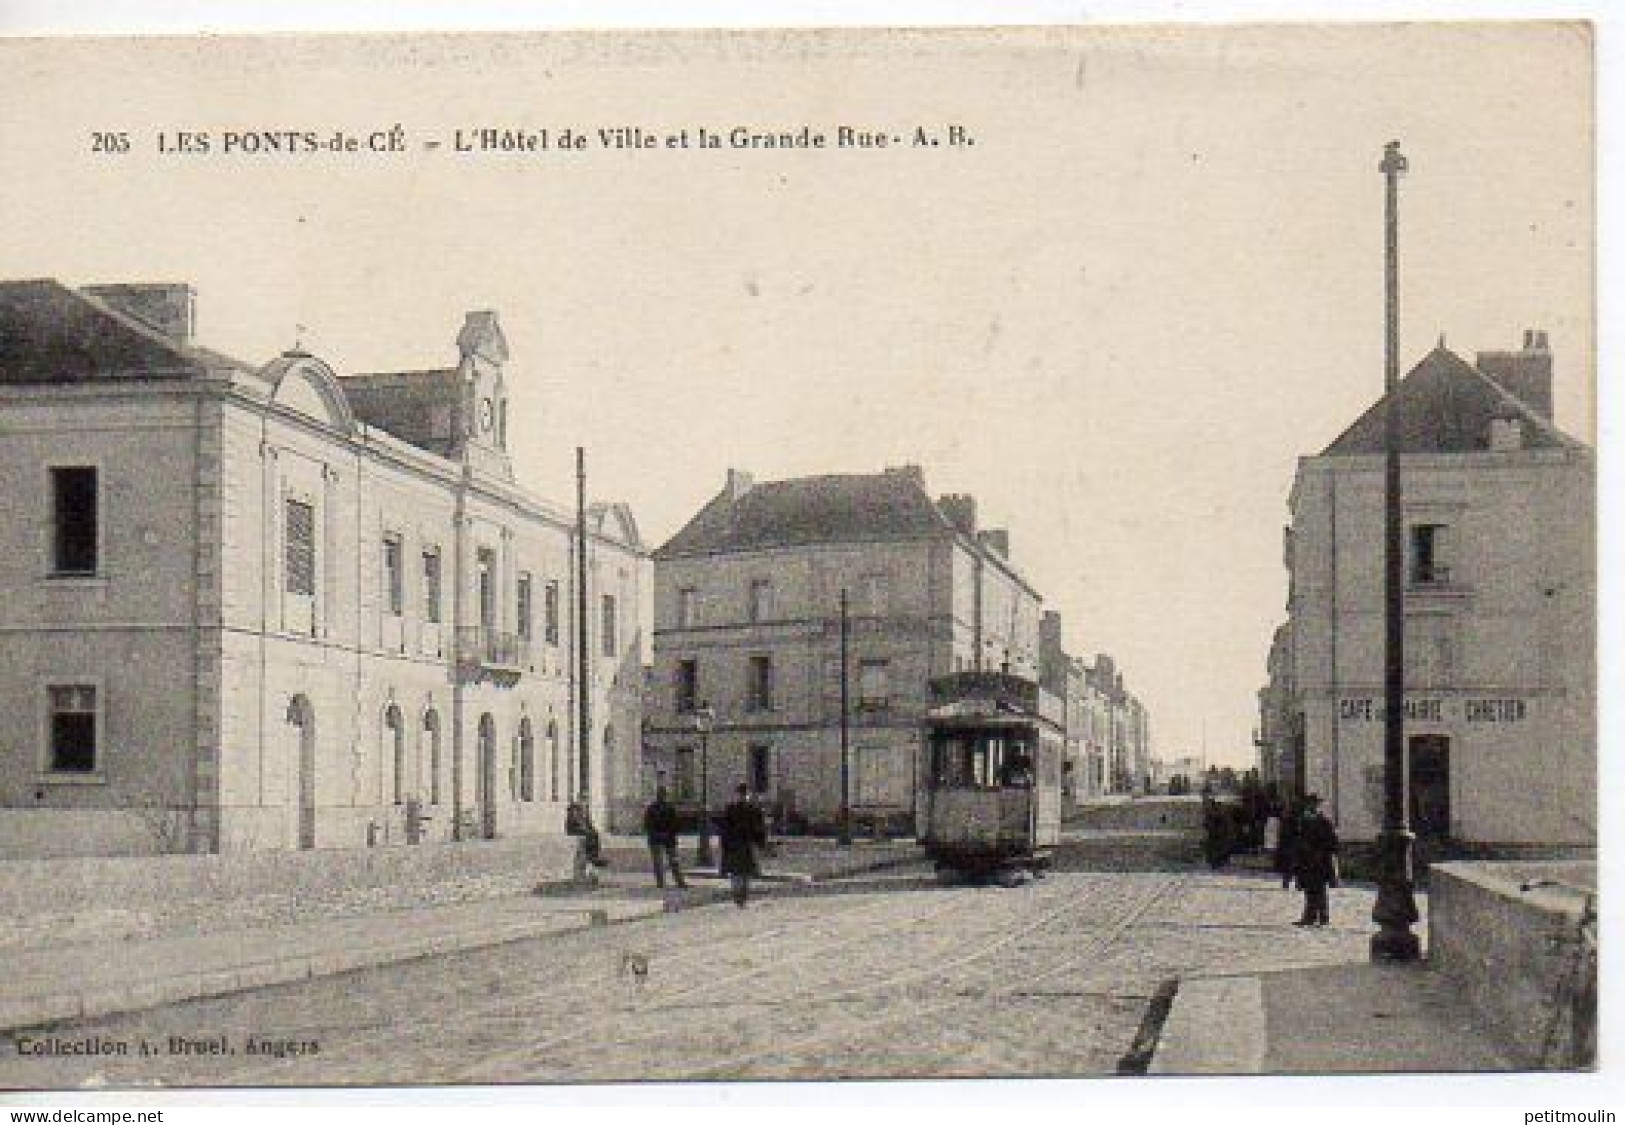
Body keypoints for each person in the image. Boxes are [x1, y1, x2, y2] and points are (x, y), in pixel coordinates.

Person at [716, 783, 768, 908]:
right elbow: (758, 829)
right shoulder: (748, 809)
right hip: (739, 844)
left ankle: (740, 895)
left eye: (742, 794)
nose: (742, 796)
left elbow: (758, 828)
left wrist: (760, 842)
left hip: (740, 844)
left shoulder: (745, 809)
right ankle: (740, 895)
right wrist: (761, 842)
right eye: (742, 794)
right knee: (741, 872)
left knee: (740, 872)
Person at [1293, 794, 1339, 927]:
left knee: (1320, 890)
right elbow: (1297, 840)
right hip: (1306, 861)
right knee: (1309, 889)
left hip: (1320, 861)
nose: (1311, 807)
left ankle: (1323, 917)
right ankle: (1309, 917)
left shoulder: (1325, 822)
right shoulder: (1302, 821)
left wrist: (1321, 852)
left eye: (1313, 804)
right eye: (1309, 804)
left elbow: (1333, 843)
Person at [643, 786, 687, 890]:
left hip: (664, 838)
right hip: (661, 838)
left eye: (663, 795)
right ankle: (673, 882)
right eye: (662, 794)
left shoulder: (664, 808)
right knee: (665, 862)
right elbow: (648, 824)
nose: (663, 797)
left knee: (670, 861)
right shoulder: (656, 808)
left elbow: (675, 824)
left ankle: (673, 882)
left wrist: (665, 833)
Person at [566, 799, 608, 882]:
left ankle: (595, 857)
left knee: (594, 835)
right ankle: (593, 858)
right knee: (589, 837)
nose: (583, 810)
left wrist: (589, 829)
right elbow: (572, 828)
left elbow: (590, 827)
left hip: (584, 834)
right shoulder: (573, 816)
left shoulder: (584, 817)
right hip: (577, 833)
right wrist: (585, 829)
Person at [1275, 796, 1301, 890]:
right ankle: (1292, 883)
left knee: (1292, 866)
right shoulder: (1288, 821)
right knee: (1292, 866)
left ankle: (1292, 883)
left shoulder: (1289, 820)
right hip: (1290, 846)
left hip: (1291, 846)